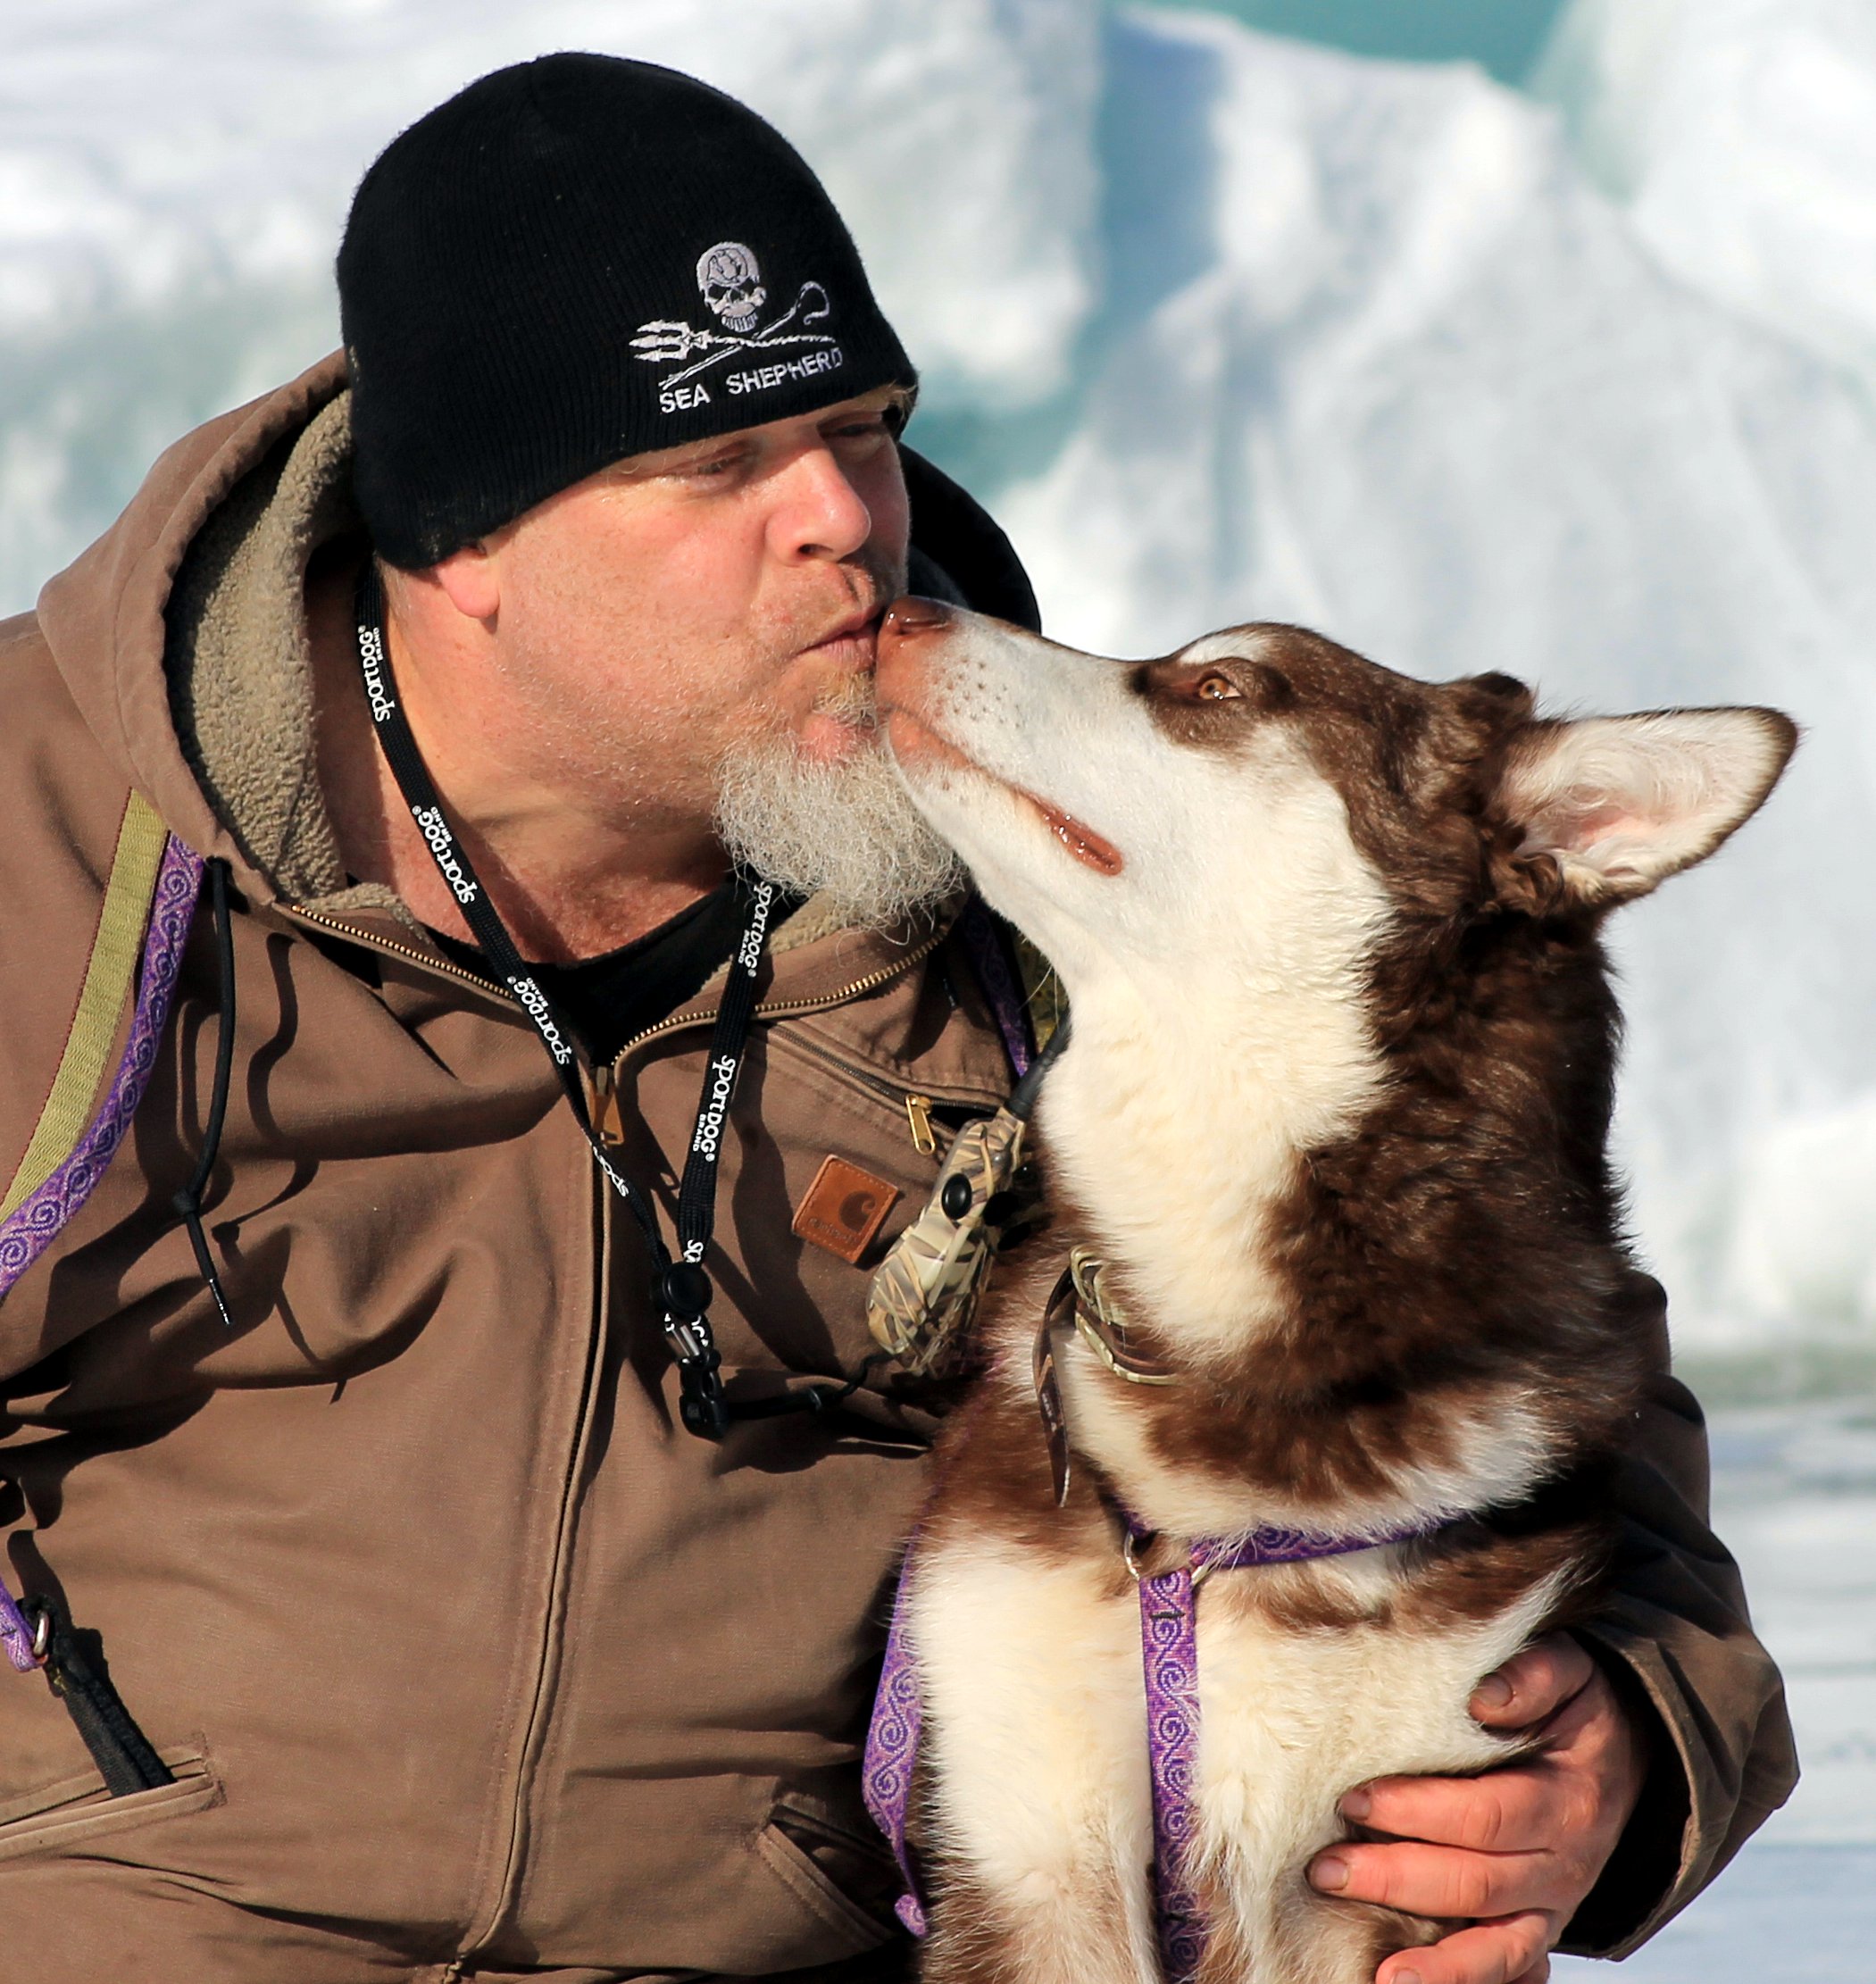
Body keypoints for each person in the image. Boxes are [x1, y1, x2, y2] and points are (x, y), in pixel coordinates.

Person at [0, 52, 1793, 1984]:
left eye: (859, 427)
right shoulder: (43, 837)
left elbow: (1517, 1374)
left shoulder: (1046, 890)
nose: (841, 521)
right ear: (463, 542)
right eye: (713, 463)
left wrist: (1621, 1742)